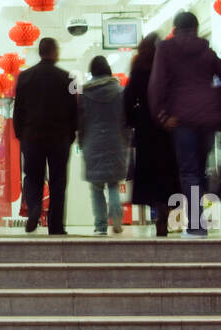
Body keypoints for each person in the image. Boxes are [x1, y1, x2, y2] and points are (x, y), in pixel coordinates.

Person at [148, 11, 221, 238]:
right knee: (200, 171)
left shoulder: (165, 49)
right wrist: (220, 107)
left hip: (181, 118)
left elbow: (156, 85)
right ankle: (198, 220)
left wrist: (161, 115)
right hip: (207, 118)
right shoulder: (206, 50)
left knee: (189, 171)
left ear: (175, 28)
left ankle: (196, 224)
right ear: (196, 27)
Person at [13, 36, 78, 235]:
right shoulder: (68, 78)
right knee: (58, 181)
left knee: (33, 177)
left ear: (40, 53)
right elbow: (74, 110)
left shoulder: (25, 77)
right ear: (55, 53)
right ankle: (56, 226)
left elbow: (19, 111)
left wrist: (21, 135)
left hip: (32, 137)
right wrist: (71, 135)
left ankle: (34, 208)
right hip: (59, 138)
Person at [123, 33, 179, 237]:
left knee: (150, 172)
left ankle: (158, 210)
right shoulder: (169, 66)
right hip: (168, 126)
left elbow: (128, 99)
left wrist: (134, 121)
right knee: (168, 170)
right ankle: (165, 208)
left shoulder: (139, 68)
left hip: (146, 127)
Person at [77, 55, 130, 236]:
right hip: (116, 141)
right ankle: (116, 216)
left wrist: (82, 141)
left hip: (93, 142)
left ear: (92, 72)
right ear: (108, 70)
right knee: (114, 184)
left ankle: (100, 226)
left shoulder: (83, 94)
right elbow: (125, 120)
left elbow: (81, 122)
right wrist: (126, 140)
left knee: (96, 187)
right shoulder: (121, 92)